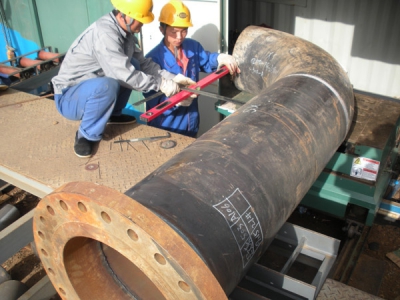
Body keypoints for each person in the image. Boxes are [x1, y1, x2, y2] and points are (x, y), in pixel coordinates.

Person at [51, 0, 195, 158]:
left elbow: (143, 64)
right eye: (140, 20)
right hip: (69, 97)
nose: (142, 25)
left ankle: (114, 114)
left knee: (133, 64)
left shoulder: (126, 34)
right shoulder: (105, 34)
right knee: (109, 84)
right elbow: (124, 75)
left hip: (89, 89)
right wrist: (161, 84)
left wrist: (173, 79)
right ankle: (85, 134)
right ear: (125, 16)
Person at [144, 0, 240, 137]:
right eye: (174, 31)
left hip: (191, 123)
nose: (179, 37)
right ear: (162, 30)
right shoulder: (152, 60)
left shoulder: (192, 47)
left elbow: (206, 60)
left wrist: (220, 58)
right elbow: (152, 103)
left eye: (184, 31)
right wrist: (174, 102)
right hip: (165, 127)